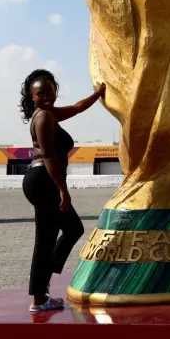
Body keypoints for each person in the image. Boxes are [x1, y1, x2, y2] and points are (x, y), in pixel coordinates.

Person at [19, 69, 105, 312]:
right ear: (31, 96)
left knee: (65, 232)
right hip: (44, 181)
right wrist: (62, 190)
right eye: (40, 93)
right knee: (52, 237)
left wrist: (98, 93)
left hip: (42, 181)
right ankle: (40, 296)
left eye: (50, 91)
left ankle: (42, 289)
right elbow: (48, 156)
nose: (47, 96)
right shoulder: (44, 118)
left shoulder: (49, 113)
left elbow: (77, 107)